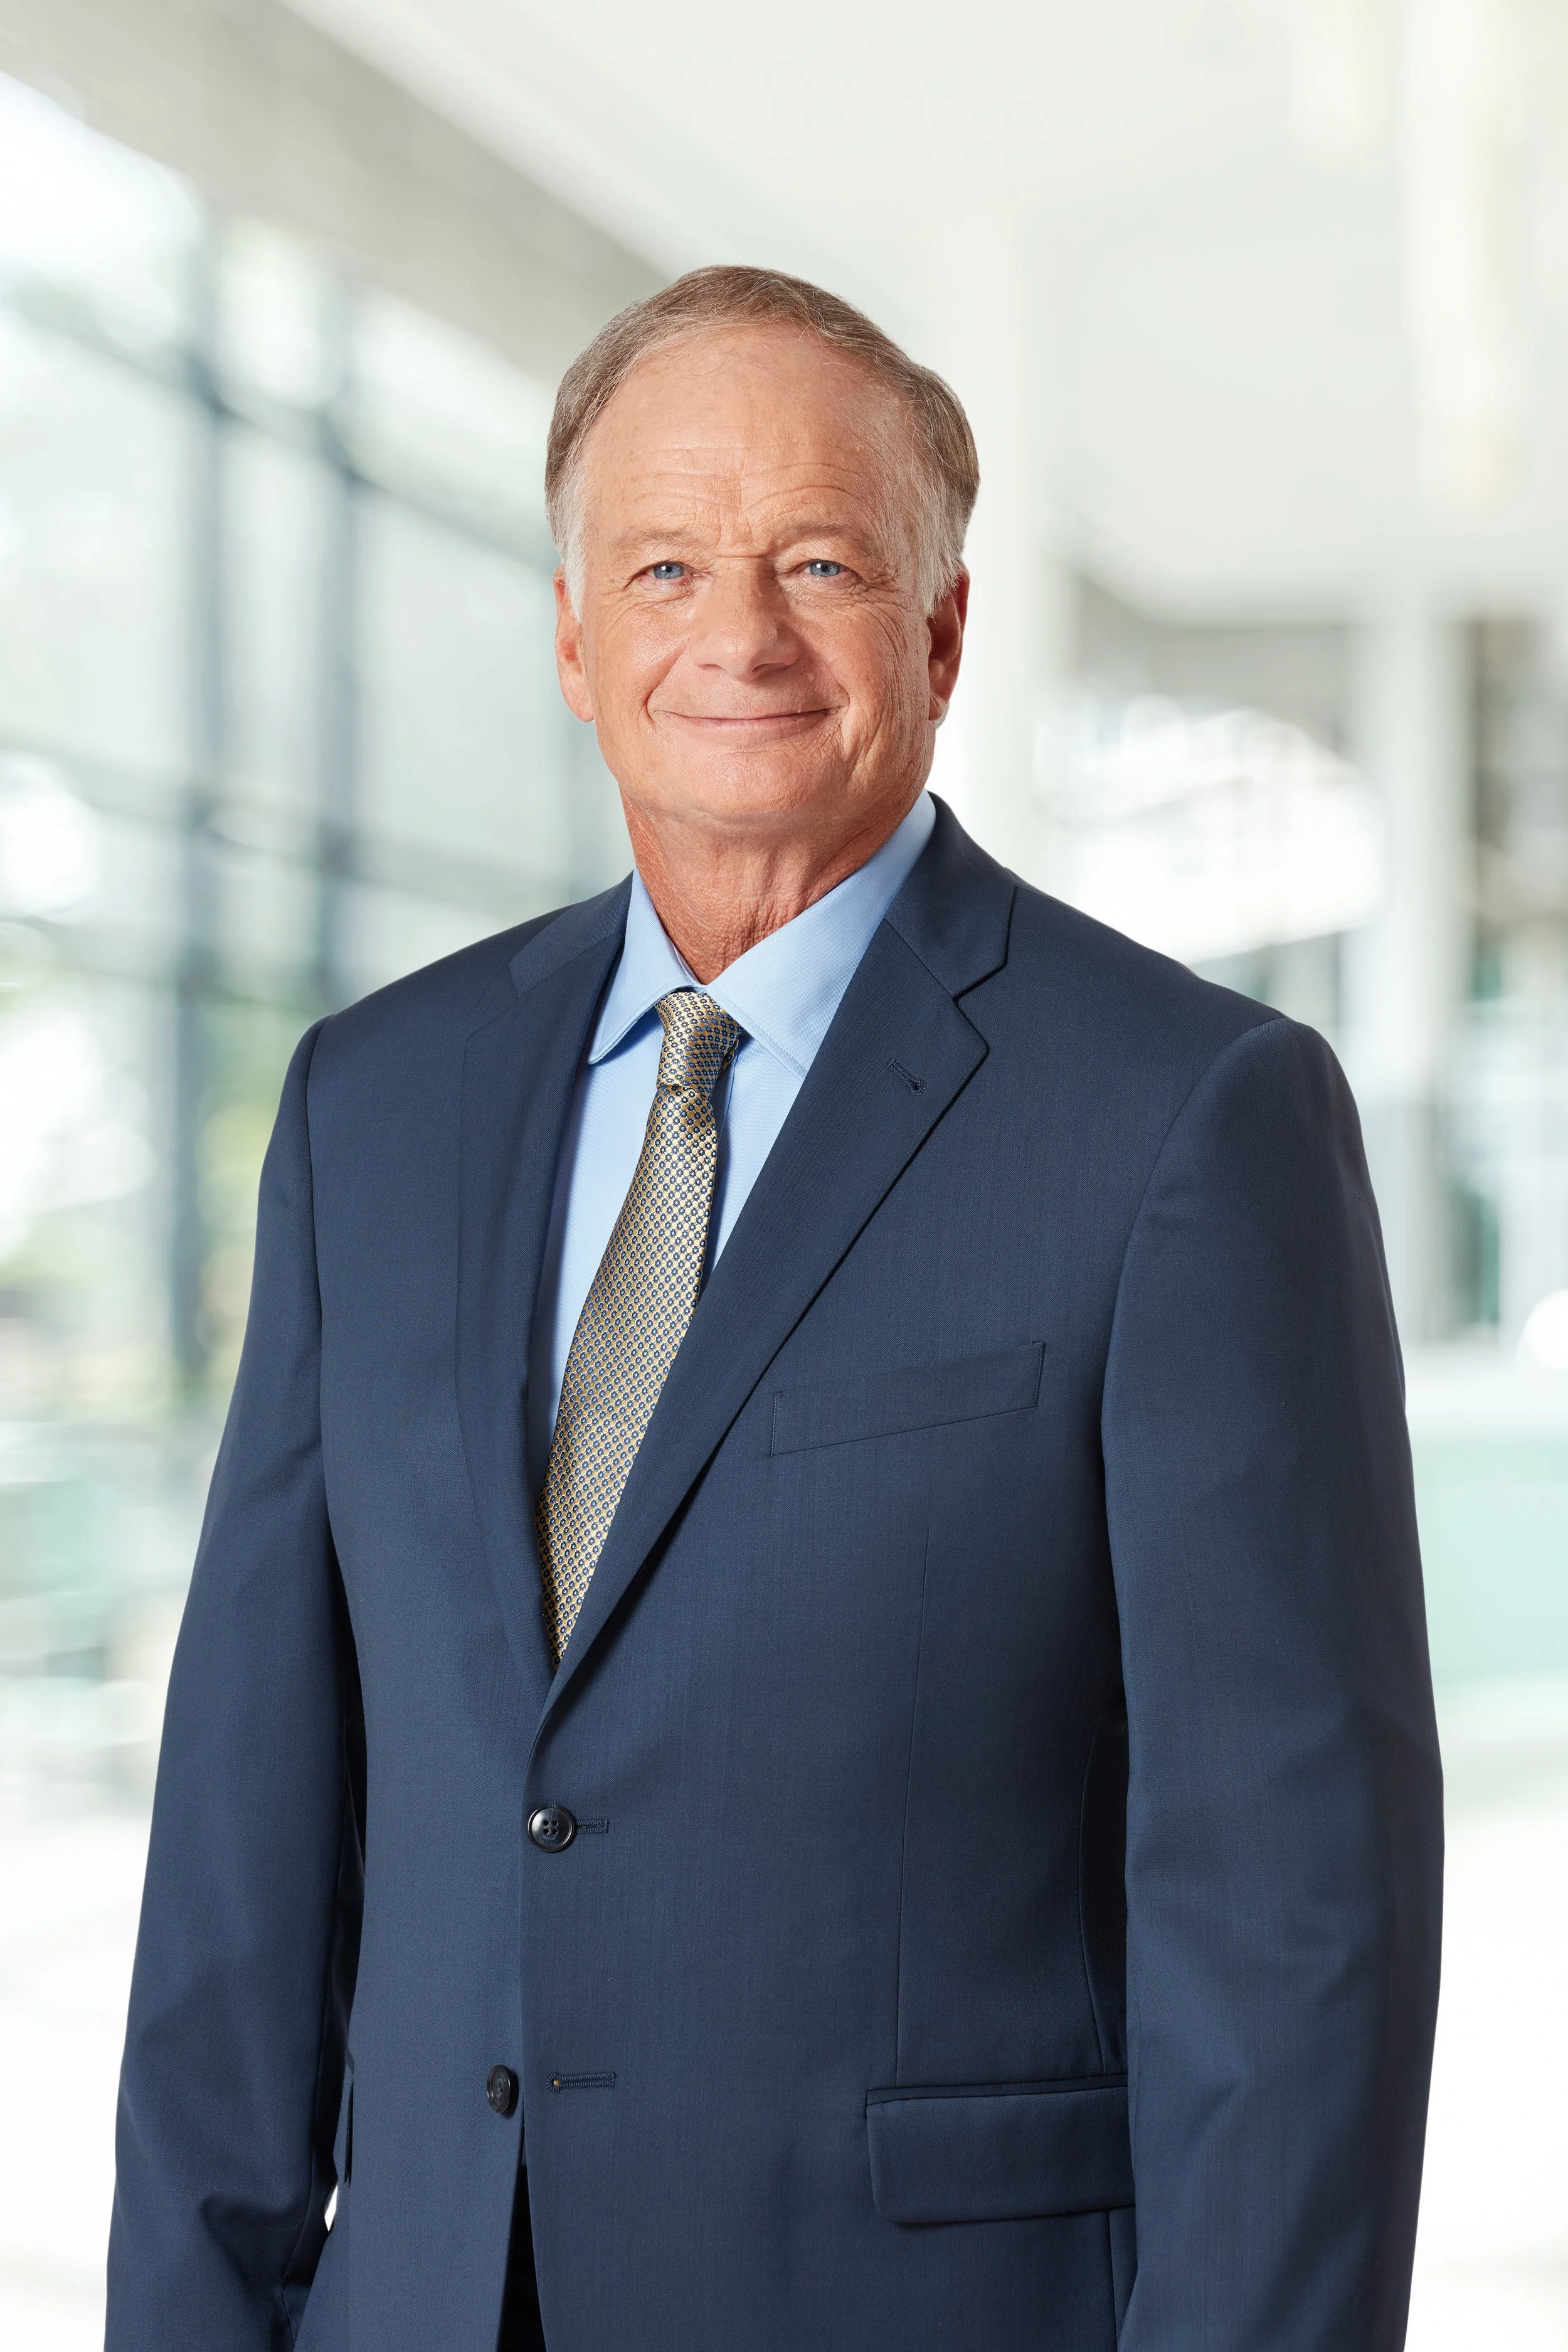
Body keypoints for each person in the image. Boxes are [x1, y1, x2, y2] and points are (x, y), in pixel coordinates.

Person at [107, 265, 1443, 2352]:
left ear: (940, 629)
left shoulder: (1187, 1121)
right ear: (570, 630)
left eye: (816, 561)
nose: (732, 633)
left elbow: (1290, 1933)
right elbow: (246, 1847)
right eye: (661, 563)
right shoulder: (371, 1103)